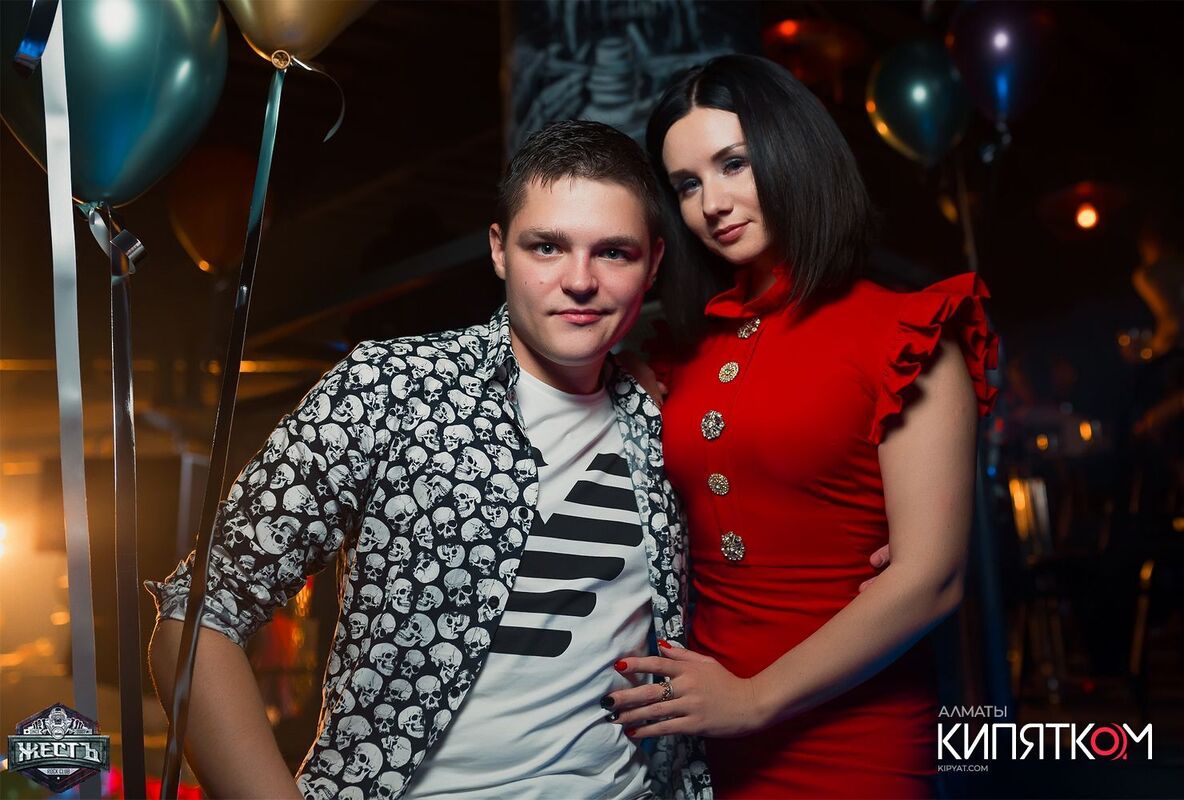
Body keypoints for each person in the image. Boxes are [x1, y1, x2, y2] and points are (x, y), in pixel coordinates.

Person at [146, 120, 711, 800]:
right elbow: (196, 619)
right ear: (499, 250)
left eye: (614, 252)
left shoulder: (669, 421)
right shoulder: (389, 388)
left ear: (653, 262)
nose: (580, 281)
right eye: (547, 246)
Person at [604, 54, 998, 798]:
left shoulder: (904, 333)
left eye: (734, 164)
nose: (711, 203)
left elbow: (933, 580)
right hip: (705, 727)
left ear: (793, 151)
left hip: (854, 730)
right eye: (686, 184)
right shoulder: (681, 351)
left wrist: (753, 698)